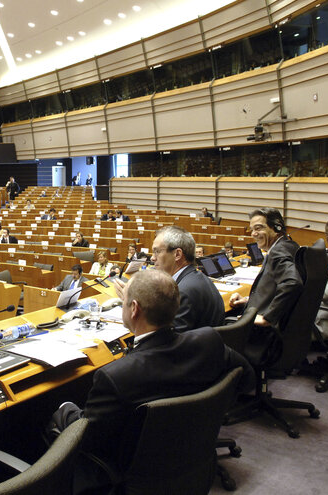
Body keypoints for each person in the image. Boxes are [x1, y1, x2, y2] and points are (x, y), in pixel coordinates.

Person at [48, 269, 254, 492]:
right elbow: (246, 377)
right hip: (193, 464)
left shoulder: (116, 376)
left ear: (134, 309)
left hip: (133, 477)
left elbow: (87, 439)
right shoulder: (209, 341)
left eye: (123, 301)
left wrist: (63, 408)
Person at [229, 208, 303, 330]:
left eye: (258, 228)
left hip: (262, 334)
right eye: (252, 230)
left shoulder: (278, 252)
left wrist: (267, 318)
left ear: (277, 228)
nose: (253, 233)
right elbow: (273, 289)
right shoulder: (289, 245)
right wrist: (248, 300)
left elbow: (292, 282)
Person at [151, 226, 225, 332]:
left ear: (177, 254)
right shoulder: (197, 278)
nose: (153, 258)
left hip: (197, 348)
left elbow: (169, 341)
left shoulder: (182, 292)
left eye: (157, 251)